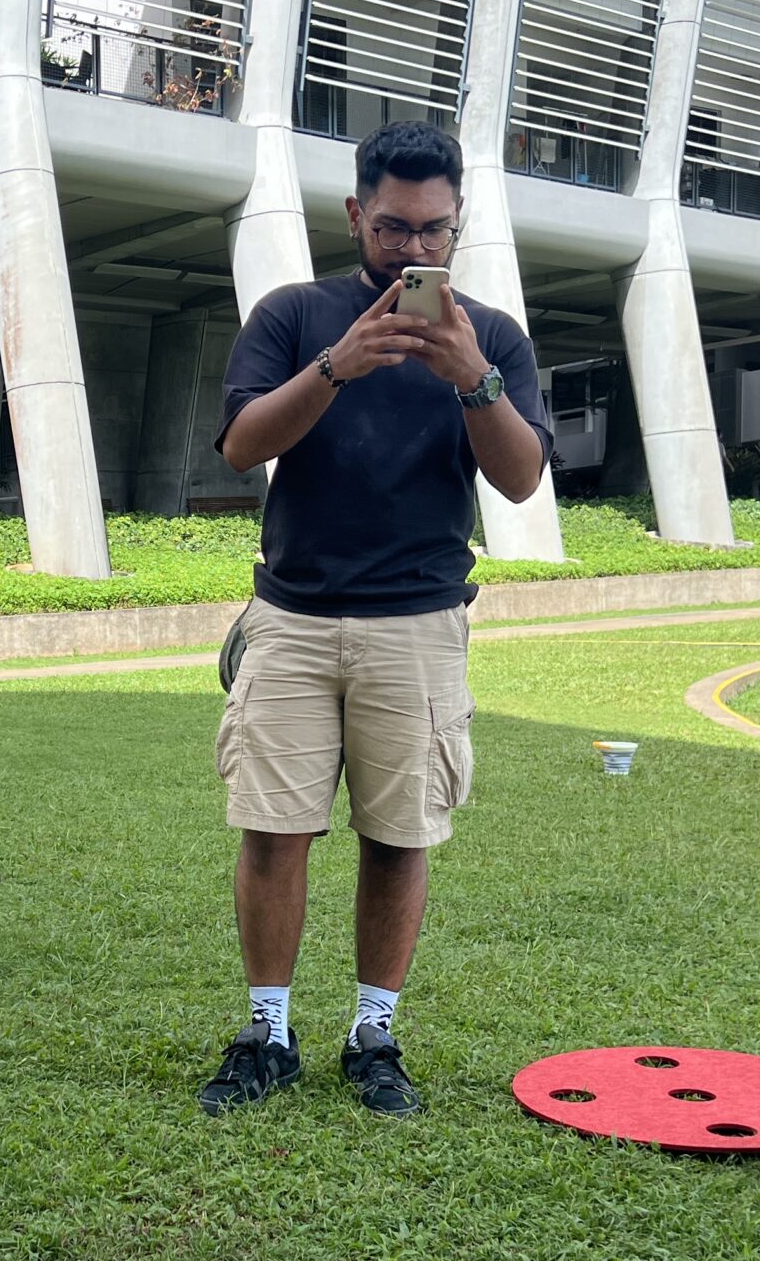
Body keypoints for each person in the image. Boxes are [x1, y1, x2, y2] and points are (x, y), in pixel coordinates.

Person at [202, 122, 553, 1119]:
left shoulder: (493, 337)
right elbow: (238, 446)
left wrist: (470, 376)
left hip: (419, 623)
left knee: (399, 837)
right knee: (273, 831)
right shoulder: (292, 313)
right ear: (356, 214)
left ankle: (373, 1035)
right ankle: (267, 1032)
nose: (413, 252)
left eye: (434, 231)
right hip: (294, 616)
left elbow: (520, 478)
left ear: (457, 226)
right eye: (393, 228)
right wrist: (338, 366)